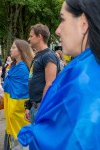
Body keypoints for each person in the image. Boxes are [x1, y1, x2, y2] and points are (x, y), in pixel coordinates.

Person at [18, 0, 100, 149]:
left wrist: (39, 131)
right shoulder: (86, 69)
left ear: (83, 23)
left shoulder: (85, 80)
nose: (57, 30)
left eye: (63, 19)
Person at [24, 23, 60, 124]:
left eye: (31, 36)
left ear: (39, 37)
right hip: (34, 105)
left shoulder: (48, 56)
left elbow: (49, 84)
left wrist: (43, 108)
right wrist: (29, 106)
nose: (29, 39)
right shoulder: (37, 56)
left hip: (41, 106)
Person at [3, 39, 34, 150]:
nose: (11, 49)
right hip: (11, 106)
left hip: (18, 110)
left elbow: (25, 90)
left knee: (20, 140)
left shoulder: (22, 69)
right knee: (15, 140)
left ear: (21, 50)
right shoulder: (14, 66)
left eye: (14, 47)